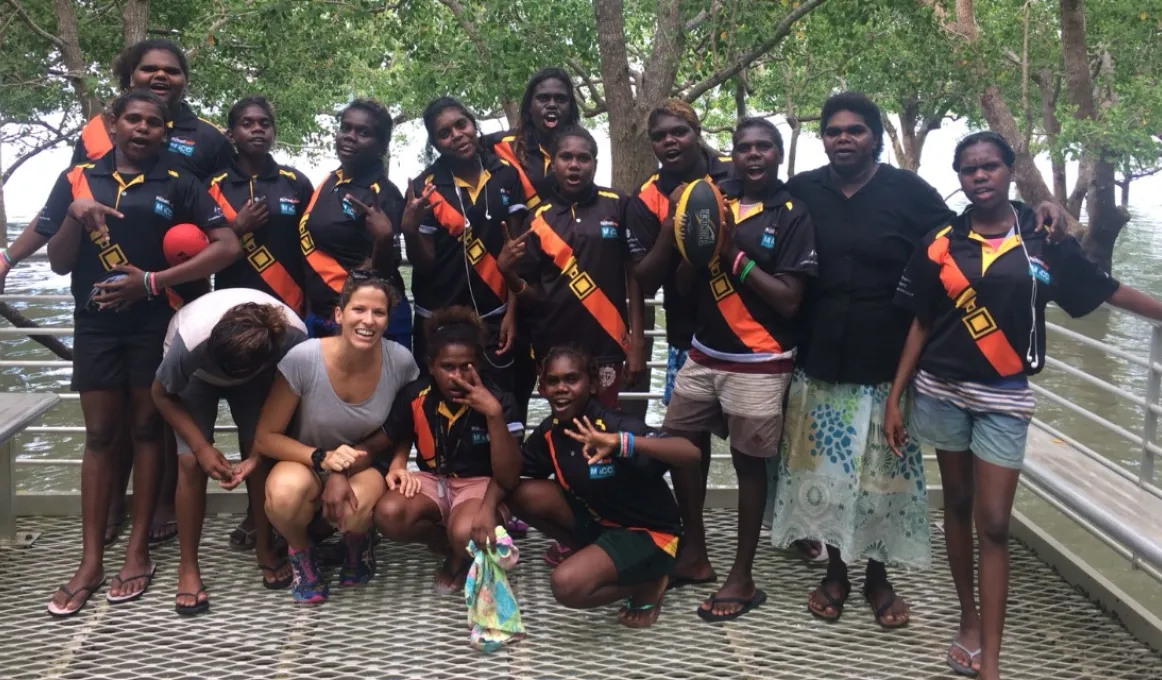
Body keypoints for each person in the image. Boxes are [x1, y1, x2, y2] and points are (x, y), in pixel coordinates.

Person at [767, 93, 1067, 630]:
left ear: (876, 137)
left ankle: (878, 576)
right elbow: (751, 188)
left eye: (855, 130)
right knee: (828, 478)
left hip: (889, 362)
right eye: (833, 130)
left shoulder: (907, 190)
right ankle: (836, 571)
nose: (843, 138)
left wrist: (1033, 210)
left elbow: (971, 223)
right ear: (823, 138)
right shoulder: (803, 190)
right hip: (821, 360)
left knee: (887, 479)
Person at [884, 130, 1162, 679]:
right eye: (969, 170)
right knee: (958, 507)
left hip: (1004, 397)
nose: (980, 176)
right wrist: (896, 397)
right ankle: (967, 621)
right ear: (959, 179)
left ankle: (992, 660)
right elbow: (920, 322)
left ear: (1010, 170)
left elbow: (1102, 291)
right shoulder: (940, 240)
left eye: (990, 166)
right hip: (939, 389)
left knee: (994, 523)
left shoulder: (1043, 237)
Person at [0, 37, 233, 548]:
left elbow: (227, 218)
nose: (160, 78)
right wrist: (8, 258)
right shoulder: (89, 149)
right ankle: (110, 511)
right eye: (149, 69)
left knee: (163, 413)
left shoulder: (206, 141)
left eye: (171, 71)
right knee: (109, 426)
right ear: (128, 83)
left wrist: (158, 278)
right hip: (99, 305)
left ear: (182, 84)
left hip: (173, 291)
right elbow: (58, 228)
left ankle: (159, 514)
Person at [40, 90, 241, 616]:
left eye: (155, 122)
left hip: (156, 321)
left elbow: (227, 246)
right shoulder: (78, 179)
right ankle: (89, 562)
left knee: (150, 430)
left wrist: (153, 281)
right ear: (114, 122)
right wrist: (74, 215)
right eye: (134, 119)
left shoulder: (180, 181)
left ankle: (136, 554)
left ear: (166, 129)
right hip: (97, 324)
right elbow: (59, 263)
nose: (144, 128)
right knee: (101, 435)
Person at [658, 118, 817, 621]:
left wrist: (733, 256)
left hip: (760, 358)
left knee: (750, 464)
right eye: (744, 147)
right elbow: (684, 286)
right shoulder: (711, 199)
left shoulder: (792, 214)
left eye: (763, 147)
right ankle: (696, 554)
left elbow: (791, 301)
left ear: (778, 154)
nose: (753, 155)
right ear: (731, 153)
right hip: (705, 352)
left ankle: (742, 576)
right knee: (680, 448)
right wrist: (689, 248)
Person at [256, 268, 419, 604]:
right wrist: (324, 460)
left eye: (379, 312)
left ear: (388, 321)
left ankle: (357, 543)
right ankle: (301, 553)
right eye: (359, 309)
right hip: (307, 460)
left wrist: (399, 462)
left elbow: (407, 423)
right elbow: (266, 437)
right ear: (339, 315)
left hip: (364, 463)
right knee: (284, 497)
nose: (368, 321)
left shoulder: (400, 361)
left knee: (355, 509)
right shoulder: (304, 358)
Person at [510, 345, 699, 627]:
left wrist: (622, 443)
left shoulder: (614, 423)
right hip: (604, 526)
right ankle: (595, 559)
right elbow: (511, 473)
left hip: (651, 535)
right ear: (542, 387)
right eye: (553, 381)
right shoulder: (550, 431)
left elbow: (690, 453)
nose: (561, 388)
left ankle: (648, 581)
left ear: (594, 384)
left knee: (566, 585)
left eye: (571, 380)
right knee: (520, 493)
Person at [152, 289, 308, 615]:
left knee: (259, 450)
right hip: (196, 374)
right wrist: (201, 446)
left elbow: (283, 406)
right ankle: (189, 567)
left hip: (259, 373)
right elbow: (162, 395)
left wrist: (258, 454)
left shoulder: (292, 338)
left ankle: (265, 548)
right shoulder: (191, 340)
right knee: (190, 462)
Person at [373, 307, 524, 594]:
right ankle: (447, 542)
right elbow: (390, 435)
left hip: (483, 486)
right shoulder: (417, 394)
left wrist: (492, 414)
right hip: (436, 480)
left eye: (466, 366)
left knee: (466, 532)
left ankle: (459, 552)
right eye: (447, 367)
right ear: (431, 365)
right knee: (389, 514)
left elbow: (510, 475)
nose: (456, 376)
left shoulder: (500, 400)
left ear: (479, 364)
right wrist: (343, 458)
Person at [496, 125, 646, 407]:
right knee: (564, 427)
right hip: (553, 346)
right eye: (566, 157)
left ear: (595, 164)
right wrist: (508, 273)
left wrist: (637, 341)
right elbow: (533, 296)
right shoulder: (537, 218)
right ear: (553, 164)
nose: (574, 165)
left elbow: (634, 275)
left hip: (607, 344)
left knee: (603, 425)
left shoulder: (618, 204)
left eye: (583, 158)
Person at [401, 97, 526, 392]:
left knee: (500, 404)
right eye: (444, 133)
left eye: (461, 125)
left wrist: (512, 312)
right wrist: (409, 230)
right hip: (438, 320)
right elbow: (425, 264)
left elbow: (516, 254)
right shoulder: (425, 187)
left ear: (473, 124)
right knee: (439, 408)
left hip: (494, 317)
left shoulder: (506, 174)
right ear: (435, 144)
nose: (456, 135)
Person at [483, 67, 582, 426]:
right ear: (529, 105)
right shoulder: (503, 148)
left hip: (563, 276)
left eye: (560, 98)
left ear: (571, 105)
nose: (552, 105)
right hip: (515, 274)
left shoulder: (576, 149)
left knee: (567, 379)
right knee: (515, 384)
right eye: (544, 98)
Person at [297, 99, 409, 346]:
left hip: (363, 319)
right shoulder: (329, 181)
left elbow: (384, 271)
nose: (350, 136)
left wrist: (383, 238)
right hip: (323, 315)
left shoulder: (384, 194)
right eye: (346, 128)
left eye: (363, 132)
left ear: (382, 145)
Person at [209, 96, 314, 315]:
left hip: (288, 304)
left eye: (264, 124)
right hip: (231, 306)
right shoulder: (212, 186)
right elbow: (198, 247)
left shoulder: (296, 182)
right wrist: (236, 229)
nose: (257, 129)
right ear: (231, 135)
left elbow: (311, 247)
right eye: (247, 124)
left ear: (273, 133)